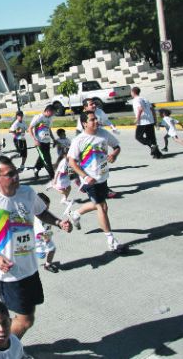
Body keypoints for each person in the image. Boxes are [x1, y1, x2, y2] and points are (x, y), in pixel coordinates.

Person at [0, 155, 72, 339]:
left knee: (27, 316)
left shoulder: (27, 193)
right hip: (8, 273)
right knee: (25, 320)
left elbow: (41, 212)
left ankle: (7, 346)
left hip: (30, 267)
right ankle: (1, 350)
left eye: (16, 172)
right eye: (10, 174)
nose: (16, 177)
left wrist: (58, 222)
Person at [67, 111, 128, 253]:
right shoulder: (79, 140)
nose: (96, 121)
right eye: (92, 119)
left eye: (96, 119)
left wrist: (114, 154)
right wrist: (85, 176)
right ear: (84, 123)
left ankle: (75, 214)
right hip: (90, 179)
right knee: (102, 207)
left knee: (99, 205)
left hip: (103, 177)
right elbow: (72, 162)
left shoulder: (103, 133)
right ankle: (111, 241)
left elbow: (117, 146)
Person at [130, 87, 163, 159]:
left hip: (142, 122)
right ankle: (158, 154)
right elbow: (152, 110)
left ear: (133, 92)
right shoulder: (145, 99)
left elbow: (140, 109)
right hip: (150, 121)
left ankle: (152, 146)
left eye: (131, 92)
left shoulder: (136, 100)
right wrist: (155, 120)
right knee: (151, 138)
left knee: (138, 137)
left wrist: (137, 119)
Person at [28, 105, 57, 180]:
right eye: (52, 113)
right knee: (47, 159)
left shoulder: (49, 119)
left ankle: (36, 169)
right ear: (48, 111)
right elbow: (30, 128)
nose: (53, 115)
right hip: (39, 142)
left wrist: (53, 139)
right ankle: (53, 177)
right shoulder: (38, 117)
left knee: (42, 158)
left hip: (47, 142)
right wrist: (35, 140)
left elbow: (49, 130)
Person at [34, 193, 60, 273]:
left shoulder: (46, 214)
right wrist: (47, 238)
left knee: (51, 250)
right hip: (41, 238)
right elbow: (39, 233)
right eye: (45, 207)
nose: (47, 209)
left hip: (46, 236)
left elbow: (53, 220)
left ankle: (47, 265)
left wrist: (60, 224)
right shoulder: (38, 218)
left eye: (48, 206)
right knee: (42, 255)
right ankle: (35, 252)